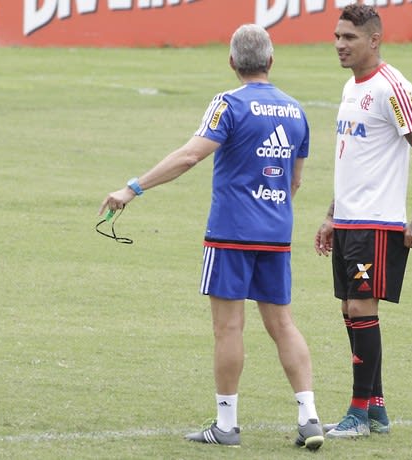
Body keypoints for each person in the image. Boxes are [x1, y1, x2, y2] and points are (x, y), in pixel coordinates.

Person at [99, 24, 324, 450]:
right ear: (271, 61)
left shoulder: (228, 104)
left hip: (231, 233)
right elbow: (295, 180)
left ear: (232, 62)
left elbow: (189, 155)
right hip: (276, 232)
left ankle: (226, 425)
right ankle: (310, 416)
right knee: (283, 324)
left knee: (228, 328)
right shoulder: (296, 110)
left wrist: (133, 188)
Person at [314, 4, 412, 438]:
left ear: (374, 39)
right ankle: (376, 410)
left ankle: (357, 412)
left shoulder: (393, 87)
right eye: (337, 36)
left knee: (362, 308)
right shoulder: (352, 88)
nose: (339, 45)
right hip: (350, 220)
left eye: (348, 38)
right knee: (351, 312)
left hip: (379, 222)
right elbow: (353, 159)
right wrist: (332, 215)